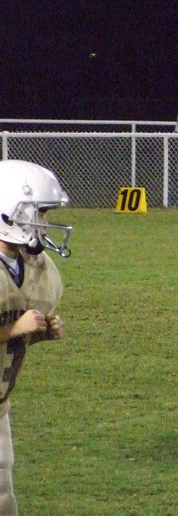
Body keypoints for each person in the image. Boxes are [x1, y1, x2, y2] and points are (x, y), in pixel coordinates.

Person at [0, 160, 72, 515]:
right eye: (38, 213)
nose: (43, 224)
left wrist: (38, 332)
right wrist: (15, 328)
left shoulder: (32, 267)